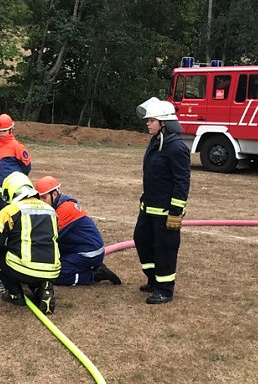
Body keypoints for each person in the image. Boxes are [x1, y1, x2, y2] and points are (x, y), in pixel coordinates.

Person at [134, 97, 191, 305]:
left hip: (166, 211)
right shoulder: (157, 141)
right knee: (141, 239)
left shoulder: (176, 147)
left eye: (151, 120)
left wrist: (176, 210)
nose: (148, 124)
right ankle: (153, 279)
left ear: (163, 122)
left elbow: (182, 180)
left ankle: (165, 289)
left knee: (165, 248)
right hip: (148, 207)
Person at [0, 172, 60, 314]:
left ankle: (14, 293)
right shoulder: (51, 211)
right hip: (52, 271)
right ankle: (43, 288)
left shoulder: (11, 210)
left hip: (24, 269)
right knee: (36, 261)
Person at [34, 176, 121, 286]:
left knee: (54, 275)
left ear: (54, 194)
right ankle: (90, 267)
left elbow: (48, 237)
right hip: (80, 248)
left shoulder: (64, 210)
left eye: (44, 198)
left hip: (88, 252)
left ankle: (96, 275)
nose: (41, 202)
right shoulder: (60, 205)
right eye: (39, 199)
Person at [0, 113, 31, 221]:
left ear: (10, 130)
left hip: (10, 194)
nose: (1, 133)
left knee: (10, 221)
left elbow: (26, 167)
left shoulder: (17, 147)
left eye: (4, 131)